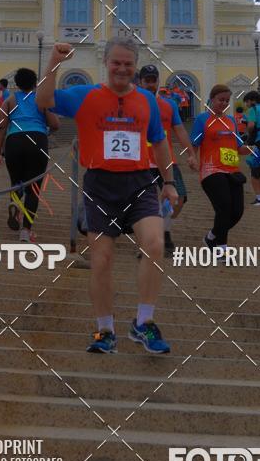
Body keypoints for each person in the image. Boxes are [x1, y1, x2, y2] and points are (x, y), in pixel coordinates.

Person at [36, 37, 178, 355]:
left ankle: (144, 323)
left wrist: (169, 182)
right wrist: (54, 62)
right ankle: (105, 330)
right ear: (106, 63)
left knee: (154, 245)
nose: (122, 69)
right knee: (101, 260)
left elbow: (159, 141)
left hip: (140, 182)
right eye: (116, 62)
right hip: (100, 185)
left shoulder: (147, 100)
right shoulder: (85, 95)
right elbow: (43, 100)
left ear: (135, 67)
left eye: (128, 64)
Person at [0, 68, 60, 242]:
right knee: (34, 189)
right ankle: (25, 231)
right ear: (35, 83)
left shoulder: (9, 100)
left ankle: (15, 204)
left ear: (17, 84)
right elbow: (56, 124)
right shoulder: (40, 101)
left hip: (14, 140)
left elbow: (0, 127)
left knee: (16, 182)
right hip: (37, 140)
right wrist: (46, 129)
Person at [138, 64, 198, 256]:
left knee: (179, 198)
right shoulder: (133, 103)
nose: (150, 84)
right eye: (146, 80)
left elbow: (179, 130)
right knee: (143, 203)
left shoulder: (169, 104)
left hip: (166, 161)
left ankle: (161, 227)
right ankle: (161, 235)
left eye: (153, 80)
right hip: (140, 162)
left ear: (157, 81)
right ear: (140, 82)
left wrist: (190, 153)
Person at [191, 84, 249, 251]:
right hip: (211, 170)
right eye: (220, 100)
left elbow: (239, 148)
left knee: (237, 212)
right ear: (211, 99)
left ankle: (211, 237)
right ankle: (221, 247)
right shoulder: (202, 119)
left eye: (226, 100)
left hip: (232, 171)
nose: (223, 103)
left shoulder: (231, 121)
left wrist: (254, 149)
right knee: (224, 206)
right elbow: (194, 144)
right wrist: (192, 157)